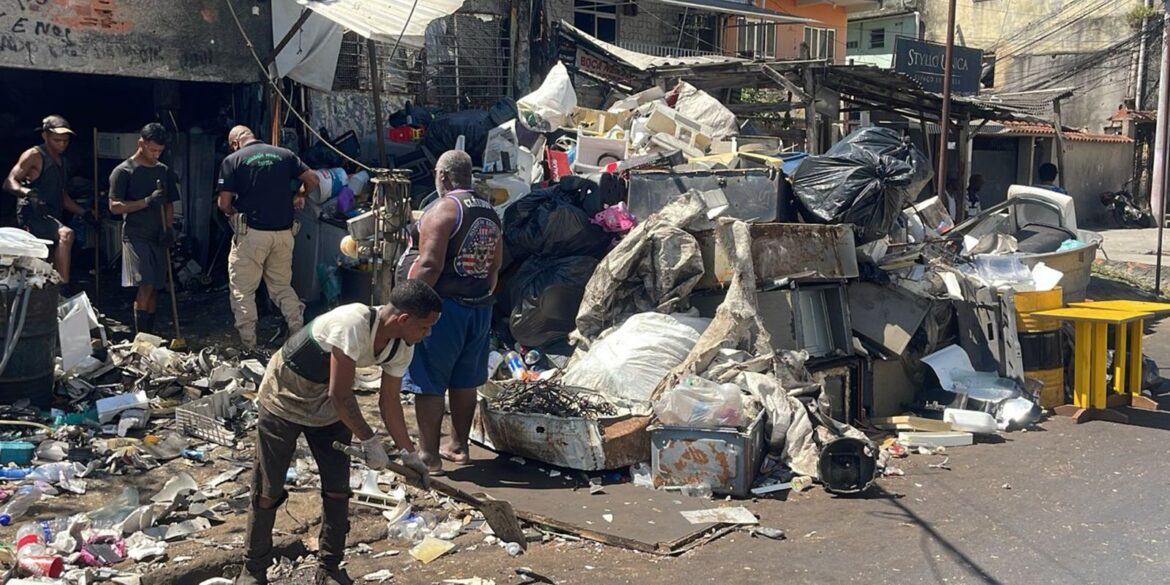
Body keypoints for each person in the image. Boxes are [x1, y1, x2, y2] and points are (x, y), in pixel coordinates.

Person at [237, 279, 441, 585]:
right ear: (403, 319)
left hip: (329, 406)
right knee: (268, 490)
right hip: (285, 395)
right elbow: (340, 394)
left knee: (337, 490)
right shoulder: (352, 322)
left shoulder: (402, 346)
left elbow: (389, 403)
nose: (428, 334)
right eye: (425, 327)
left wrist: (408, 453)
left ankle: (330, 568)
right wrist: (370, 441)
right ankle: (253, 569)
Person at [397, 150, 503, 473]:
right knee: (464, 379)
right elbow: (495, 266)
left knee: (429, 379)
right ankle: (459, 446)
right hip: (479, 307)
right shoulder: (490, 211)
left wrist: (407, 305)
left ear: (442, 177)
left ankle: (429, 454)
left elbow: (429, 265)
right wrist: (483, 296)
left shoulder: (444, 209)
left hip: (444, 310)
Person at [216, 125, 318, 349]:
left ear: (235, 143)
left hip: (252, 235)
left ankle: (249, 346)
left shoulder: (232, 160)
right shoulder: (285, 155)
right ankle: (298, 335)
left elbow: (224, 203)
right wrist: (299, 195)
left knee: (243, 290)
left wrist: (231, 213)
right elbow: (312, 179)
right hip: (284, 234)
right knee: (281, 287)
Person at [3, 115, 98, 285]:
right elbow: (9, 182)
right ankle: (63, 284)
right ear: (45, 136)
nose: (61, 145)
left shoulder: (63, 162)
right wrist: (27, 193)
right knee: (66, 235)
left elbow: (62, 196)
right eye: (57, 140)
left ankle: (50, 294)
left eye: (65, 141)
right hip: (32, 214)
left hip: (52, 213)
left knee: (51, 258)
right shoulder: (34, 155)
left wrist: (85, 213)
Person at [108, 123, 181, 335]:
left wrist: (168, 230)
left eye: (160, 151)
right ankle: (140, 337)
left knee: (157, 287)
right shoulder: (123, 172)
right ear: (141, 143)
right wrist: (147, 201)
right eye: (152, 150)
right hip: (135, 235)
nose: (156, 154)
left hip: (158, 235)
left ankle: (150, 334)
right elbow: (114, 207)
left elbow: (168, 204)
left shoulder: (163, 171)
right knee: (145, 284)